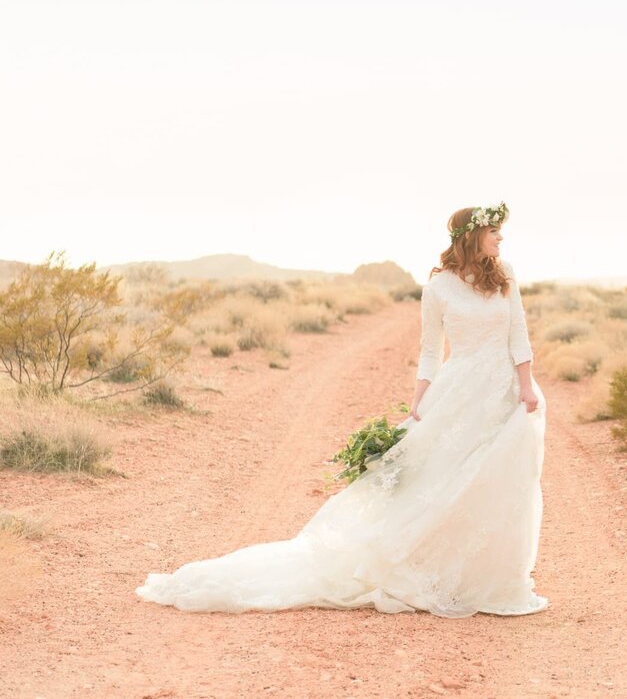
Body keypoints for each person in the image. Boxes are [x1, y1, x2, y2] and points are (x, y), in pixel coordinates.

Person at [135, 202, 550, 617]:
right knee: (442, 481)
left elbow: (518, 333)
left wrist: (526, 385)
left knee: (498, 482)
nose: (501, 238)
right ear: (471, 234)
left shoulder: (505, 274)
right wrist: (421, 397)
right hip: (459, 391)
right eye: (494, 231)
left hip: (504, 391)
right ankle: (439, 574)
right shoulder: (438, 287)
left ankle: (489, 579)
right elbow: (430, 350)